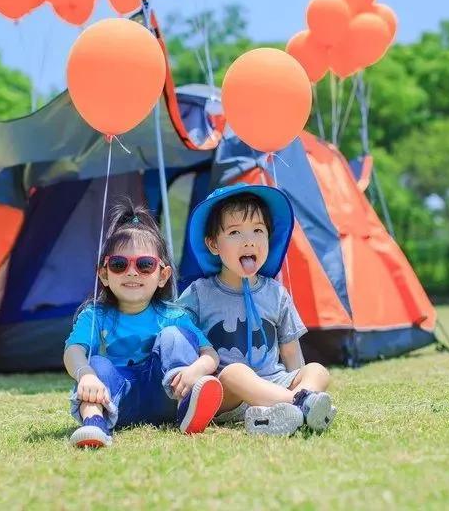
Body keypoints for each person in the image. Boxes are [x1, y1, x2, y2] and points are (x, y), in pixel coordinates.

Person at [179, 184, 336, 436]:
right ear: (213, 245)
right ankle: (301, 405)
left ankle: (284, 408)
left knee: (317, 370)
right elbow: (179, 338)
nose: (249, 240)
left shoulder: (276, 293)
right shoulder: (199, 293)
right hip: (228, 396)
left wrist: (299, 379)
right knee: (235, 372)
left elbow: (291, 353)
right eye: (235, 232)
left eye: (257, 230)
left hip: (275, 381)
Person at [63, 201, 223, 448]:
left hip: (166, 396)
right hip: (116, 399)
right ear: (104, 274)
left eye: (144, 265)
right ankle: (94, 422)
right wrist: (85, 376)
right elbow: (73, 351)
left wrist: (196, 371)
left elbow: (209, 354)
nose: (132, 272)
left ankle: (186, 406)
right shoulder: (95, 315)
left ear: (163, 276)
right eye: (119, 264)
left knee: (174, 336)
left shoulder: (174, 316)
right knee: (96, 364)